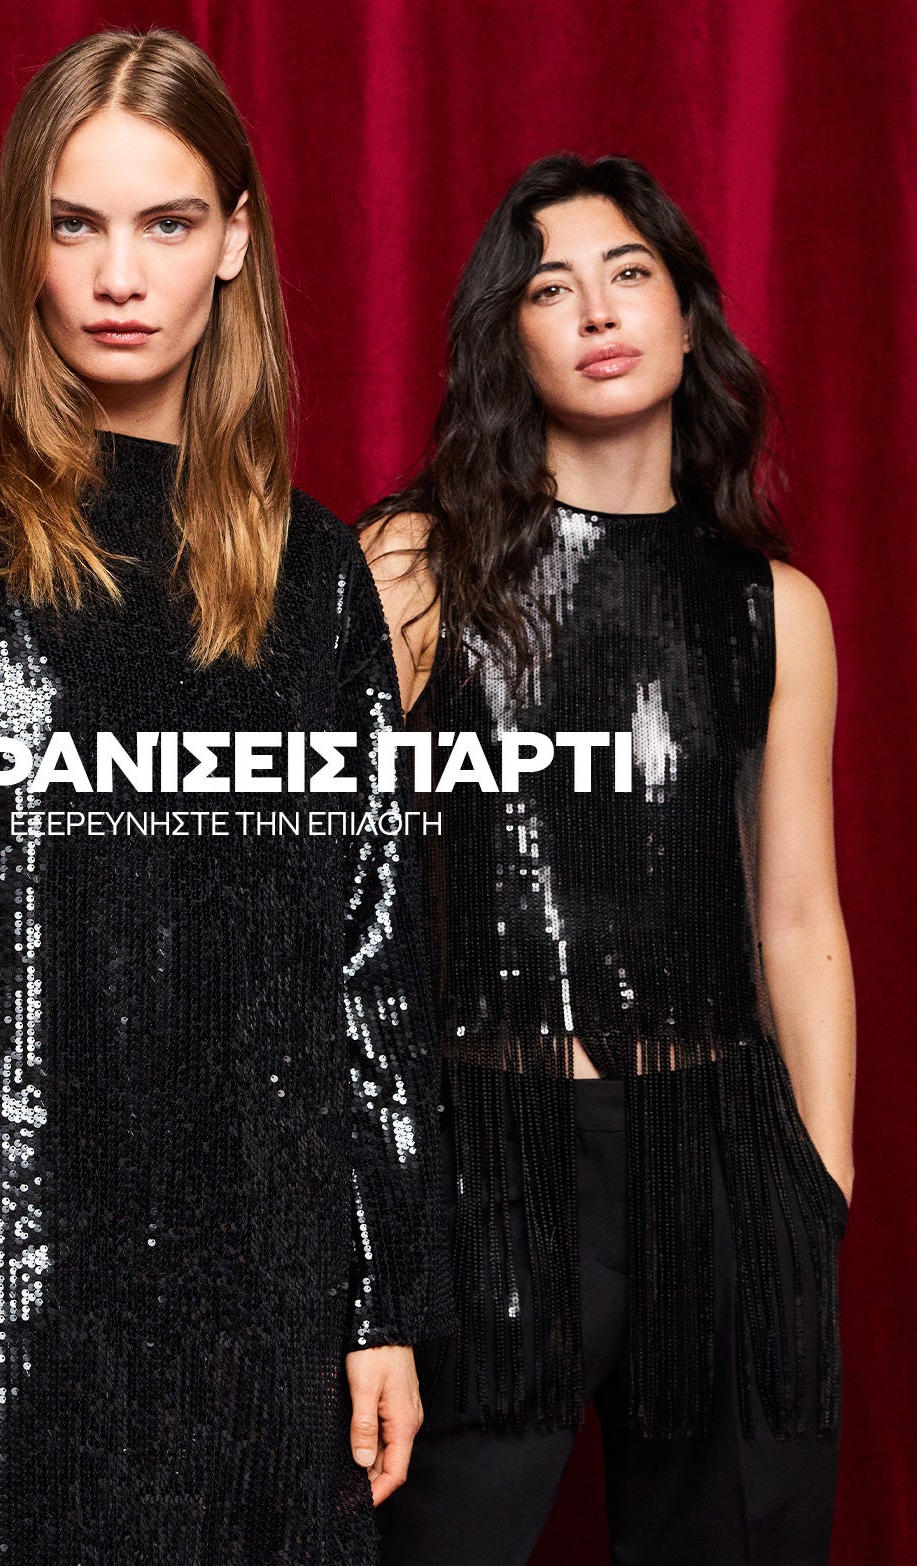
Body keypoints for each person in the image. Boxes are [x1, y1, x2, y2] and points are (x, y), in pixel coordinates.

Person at [0, 28, 452, 1565]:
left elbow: (364, 959)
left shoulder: (318, 571)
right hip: (5, 1282)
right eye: (75, 224)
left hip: (274, 1295)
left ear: (234, 243)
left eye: (166, 222)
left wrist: (384, 1297)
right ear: (24, 246)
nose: (119, 274)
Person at [359, 153, 856, 1565]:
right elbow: (337, 911)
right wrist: (369, 1216)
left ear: (688, 319)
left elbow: (800, 917)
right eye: (549, 288)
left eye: (629, 273)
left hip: (727, 1156)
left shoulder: (775, 609)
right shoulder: (412, 568)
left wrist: (816, 1187)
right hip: (487, 1156)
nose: (596, 310)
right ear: (506, 338)